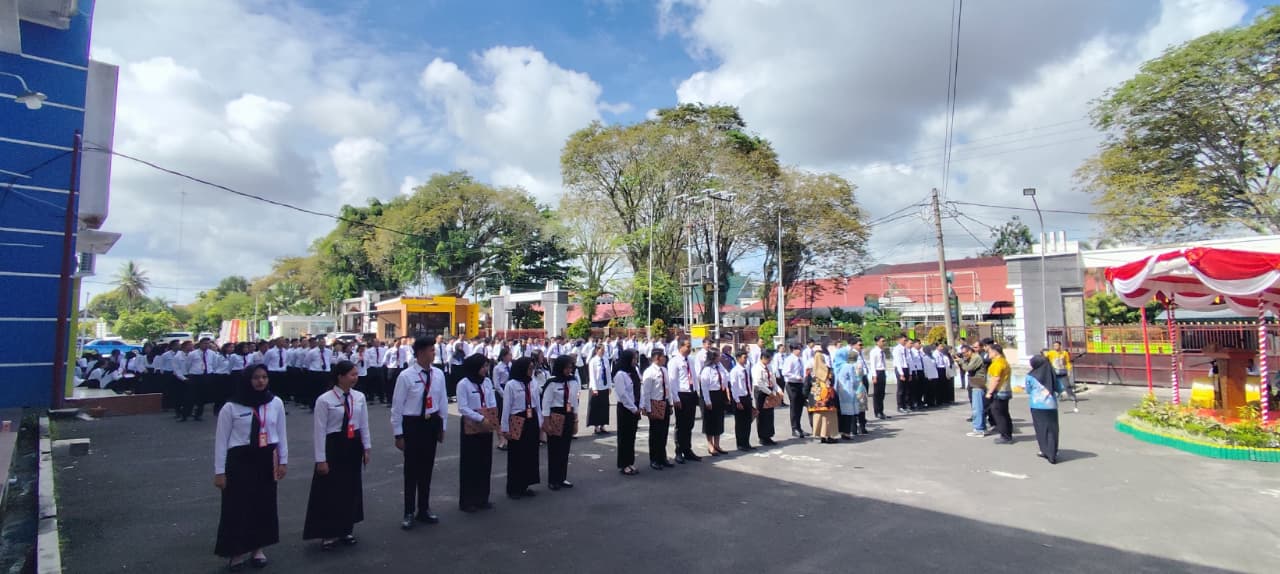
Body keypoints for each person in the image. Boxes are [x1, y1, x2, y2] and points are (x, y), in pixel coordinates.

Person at [213, 364, 287, 571]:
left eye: (264, 377)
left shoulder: (275, 403)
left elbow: (281, 434)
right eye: (256, 378)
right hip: (240, 460)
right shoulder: (231, 407)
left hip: (265, 459)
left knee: (263, 505)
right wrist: (219, 472)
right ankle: (236, 552)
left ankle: (258, 549)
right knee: (237, 507)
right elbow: (221, 441)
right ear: (247, 380)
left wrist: (283, 461)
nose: (261, 381)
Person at [302, 360, 371, 551]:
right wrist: (320, 459)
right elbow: (319, 431)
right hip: (334, 446)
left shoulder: (359, 397)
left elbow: (363, 424)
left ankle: (346, 528)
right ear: (340, 377)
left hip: (353, 445)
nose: (355, 378)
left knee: (350, 488)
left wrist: (367, 447)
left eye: (357, 374)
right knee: (330, 490)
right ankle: (328, 532)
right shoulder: (325, 400)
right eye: (352, 375)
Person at [390, 337, 448, 530]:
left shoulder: (438, 374)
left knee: (427, 468)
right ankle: (408, 511)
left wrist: (442, 427)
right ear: (421, 352)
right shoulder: (406, 376)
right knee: (411, 470)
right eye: (431, 350)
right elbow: (397, 407)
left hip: (430, 424)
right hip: (412, 424)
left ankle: (424, 508)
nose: (434, 353)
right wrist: (398, 434)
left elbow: (442, 401)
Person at [454, 353, 498, 512]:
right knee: (470, 462)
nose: (486, 369)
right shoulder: (463, 384)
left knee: (485, 461)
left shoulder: (487, 382)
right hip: (471, 424)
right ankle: (468, 500)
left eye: (487, 366)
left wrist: (492, 418)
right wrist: (480, 418)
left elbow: (492, 401)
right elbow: (463, 407)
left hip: (487, 423)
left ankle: (482, 497)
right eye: (483, 366)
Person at [501, 357, 542, 499]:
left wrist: (540, 423)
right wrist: (504, 428)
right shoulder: (511, 385)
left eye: (532, 368)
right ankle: (514, 487)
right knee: (517, 454)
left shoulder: (533, 383)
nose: (531, 371)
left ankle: (525, 484)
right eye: (529, 368)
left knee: (530, 453)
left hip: (531, 419)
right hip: (517, 419)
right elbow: (506, 407)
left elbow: (537, 403)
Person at [540, 355, 578, 490]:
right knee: (555, 448)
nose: (569, 370)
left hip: (568, 414)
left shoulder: (573, 381)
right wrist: (546, 422)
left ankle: (562, 477)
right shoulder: (552, 382)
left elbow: (574, 401)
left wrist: (575, 419)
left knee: (565, 448)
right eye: (566, 368)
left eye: (570, 367)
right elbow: (546, 403)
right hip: (555, 414)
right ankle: (553, 479)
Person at [667, 339, 702, 463]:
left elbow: (694, 377)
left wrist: (697, 392)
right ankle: (679, 451)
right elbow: (672, 381)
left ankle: (687, 450)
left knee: (690, 424)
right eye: (687, 346)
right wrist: (675, 398)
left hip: (691, 394)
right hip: (681, 395)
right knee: (681, 424)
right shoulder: (674, 362)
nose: (689, 348)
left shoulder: (691, 360)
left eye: (690, 346)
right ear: (681, 347)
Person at [641, 347, 676, 470]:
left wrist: (670, 403)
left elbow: (668, 388)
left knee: (664, 432)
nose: (665, 358)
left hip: (664, 402)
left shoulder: (664, 370)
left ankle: (663, 457)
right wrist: (648, 409)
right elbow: (646, 392)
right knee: (655, 433)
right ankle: (654, 459)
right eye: (663, 356)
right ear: (657, 358)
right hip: (655, 403)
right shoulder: (649, 372)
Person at [1026, 355, 1064, 463]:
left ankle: (1044, 450)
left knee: (1041, 429)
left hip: (1036, 405)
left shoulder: (1030, 376)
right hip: (1051, 406)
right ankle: (1053, 452)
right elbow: (1060, 388)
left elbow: (1028, 390)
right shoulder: (1051, 375)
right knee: (1052, 429)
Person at [613, 349, 643, 476]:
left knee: (631, 437)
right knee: (624, 437)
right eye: (634, 359)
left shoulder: (634, 371)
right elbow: (623, 394)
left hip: (635, 407)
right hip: (626, 409)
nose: (636, 361)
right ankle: (623, 464)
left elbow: (639, 387)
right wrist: (633, 408)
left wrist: (640, 405)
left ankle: (630, 462)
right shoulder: (620, 374)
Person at [699, 348, 731, 456]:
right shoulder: (707, 369)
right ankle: (710, 445)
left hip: (719, 394)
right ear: (713, 357)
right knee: (710, 422)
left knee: (718, 420)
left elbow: (726, 375)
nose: (720, 357)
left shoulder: (720, 366)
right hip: (710, 395)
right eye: (718, 355)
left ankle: (717, 444)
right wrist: (707, 401)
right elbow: (704, 387)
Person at [752, 349, 783, 445]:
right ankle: (762, 437)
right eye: (768, 359)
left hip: (770, 390)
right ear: (763, 358)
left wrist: (777, 390)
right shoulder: (757, 368)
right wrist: (769, 392)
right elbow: (759, 383)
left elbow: (773, 380)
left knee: (769, 414)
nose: (769, 361)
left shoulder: (769, 367)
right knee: (762, 414)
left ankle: (768, 435)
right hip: (761, 391)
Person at [985, 343, 1014, 445]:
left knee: (999, 414)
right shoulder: (1003, 361)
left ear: (994, 352)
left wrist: (989, 392)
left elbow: (996, 379)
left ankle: (1005, 436)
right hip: (1004, 391)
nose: (988, 353)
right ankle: (1007, 434)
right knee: (1004, 413)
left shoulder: (998, 363)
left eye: (989, 351)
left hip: (999, 391)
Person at [808, 352, 839, 443]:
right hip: (828, 397)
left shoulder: (811, 372)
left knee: (818, 416)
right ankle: (829, 435)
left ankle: (821, 436)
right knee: (829, 417)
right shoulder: (828, 370)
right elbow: (832, 382)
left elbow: (807, 383)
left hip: (816, 397)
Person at [729, 350, 756, 451]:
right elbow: (734, 387)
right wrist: (737, 401)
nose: (746, 359)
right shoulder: (735, 371)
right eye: (744, 357)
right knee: (740, 422)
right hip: (739, 398)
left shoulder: (746, 369)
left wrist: (750, 395)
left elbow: (748, 383)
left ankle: (746, 442)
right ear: (738, 358)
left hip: (747, 397)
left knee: (747, 421)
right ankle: (740, 443)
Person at [959, 345, 988, 437]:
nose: (963, 355)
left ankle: (979, 429)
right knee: (978, 407)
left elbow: (968, 368)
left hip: (978, 384)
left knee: (977, 407)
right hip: (975, 383)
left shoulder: (976, 358)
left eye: (964, 353)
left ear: (969, 351)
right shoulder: (972, 358)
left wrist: (961, 362)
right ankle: (981, 427)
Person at [781, 344, 808, 437]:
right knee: (794, 406)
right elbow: (785, 372)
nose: (800, 351)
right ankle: (794, 428)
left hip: (800, 384)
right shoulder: (790, 360)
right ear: (794, 350)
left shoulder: (800, 359)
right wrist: (796, 377)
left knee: (800, 406)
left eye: (801, 349)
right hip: (792, 384)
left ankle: (799, 427)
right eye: (798, 349)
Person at [1046, 342, 1079, 412]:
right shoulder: (1050, 353)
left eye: (1057, 345)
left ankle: (1072, 396)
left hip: (1062, 371)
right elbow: (1045, 358)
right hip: (1054, 372)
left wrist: (1069, 370)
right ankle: (1056, 396)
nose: (1056, 347)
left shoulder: (1064, 353)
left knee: (1067, 385)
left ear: (1060, 346)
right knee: (1053, 385)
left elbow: (1067, 362)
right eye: (1054, 345)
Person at [586, 345, 611, 434]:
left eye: (604, 350)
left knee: (604, 407)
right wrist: (595, 388)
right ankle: (596, 426)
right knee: (596, 407)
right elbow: (592, 376)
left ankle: (602, 425)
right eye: (601, 350)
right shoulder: (593, 361)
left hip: (604, 387)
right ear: (597, 350)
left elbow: (608, 374)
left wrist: (609, 386)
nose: (603, 351)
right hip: (596, 387)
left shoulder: (606, 360)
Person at [868, 336, 890, 420]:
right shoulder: (874, 352)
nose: (884, 343)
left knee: (882, 393)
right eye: (882, 341)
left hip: (882, 372)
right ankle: (877, 412)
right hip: (877, 372)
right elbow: (873, 365)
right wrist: (874, 376)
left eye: (884, 341)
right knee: (877, 394)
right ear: (877, 342)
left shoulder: (882, 352)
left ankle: (881, 411)